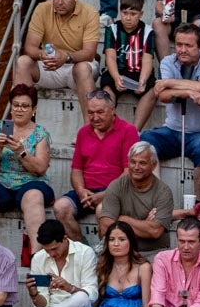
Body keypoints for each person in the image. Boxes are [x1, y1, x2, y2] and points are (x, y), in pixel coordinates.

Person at [142, 23, 200, 202]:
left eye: (189, 45)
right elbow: (162, 95)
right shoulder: (168, 61)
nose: (182, 50)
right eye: (179, 45)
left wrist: (168, 82)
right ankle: (155, 199)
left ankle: (199, 205)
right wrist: (187, 93)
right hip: (172, 129)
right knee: (144, 142)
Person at [0, 84, 53, 253]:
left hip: (32, 182)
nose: (19, 109)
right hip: (0, 183)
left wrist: (20, 151)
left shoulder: (40, 133)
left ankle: (36, 256)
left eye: (24, 106)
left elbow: (40, 168)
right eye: (15, 105)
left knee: (33, 196)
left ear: (34, 110)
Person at [54, 90, 140, 245]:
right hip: (87, 192)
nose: (95, 117)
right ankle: (83, 250)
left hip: (116, 191)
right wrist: (81, 191)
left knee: (103, 211)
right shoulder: (83, 132)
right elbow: (76, 170)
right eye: (91, 113)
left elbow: (129, 172)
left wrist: (105, 194)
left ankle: (106, 255)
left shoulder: (128, 130)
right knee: (61, 207)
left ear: (112, 109)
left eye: (100, 112)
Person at [18, 0, 99, 104]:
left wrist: (66, 57)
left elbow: (89, 53)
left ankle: (90, 124)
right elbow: (29, 48)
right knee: (23, 62)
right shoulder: (42, 8)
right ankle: (23, 122)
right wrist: (42, 54)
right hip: (50, 66)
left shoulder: (90, 13)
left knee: (83, 68)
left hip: (76, 67)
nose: (60, 2)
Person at [98, 141, 175, 257]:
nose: (136, 167)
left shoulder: (163, 192)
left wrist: (122, 220)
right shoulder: (116, 186)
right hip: (120, 252)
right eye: (133, 162)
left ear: (153, 165)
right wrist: (145, 225)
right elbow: (105, 228)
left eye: (142, 163)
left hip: (153, 253)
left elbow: (155, 231)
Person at [101, 0, 157, 130]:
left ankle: (134, 131)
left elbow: (147, 59)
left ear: (141, 14)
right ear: (120, 12)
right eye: (125, 13)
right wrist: (115, 77)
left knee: (153, 91)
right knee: (107, 91)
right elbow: (110, 56)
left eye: (133, 14)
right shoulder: (112, 29)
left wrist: (142, 81)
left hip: (139, 72)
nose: (128, 18)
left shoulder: (148, 32)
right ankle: (108, 129)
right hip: (118, 71)